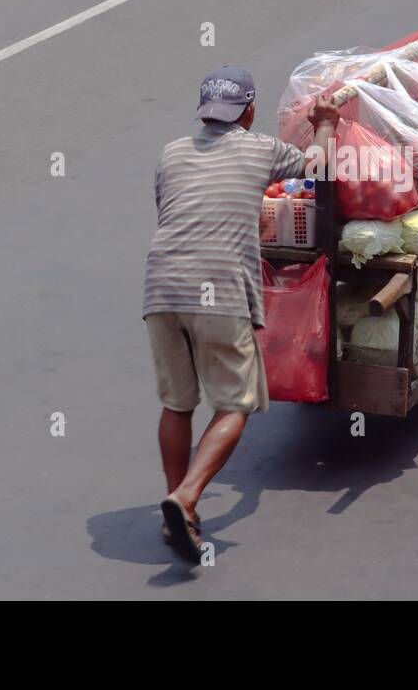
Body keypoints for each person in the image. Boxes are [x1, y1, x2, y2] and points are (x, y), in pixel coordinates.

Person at [143, 66, 338, 563]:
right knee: (236, 403)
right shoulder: (261, 149)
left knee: (177, 403)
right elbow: (318, 171)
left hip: (162, 288)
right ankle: (186, 498)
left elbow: (173, 210)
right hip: (221, 291)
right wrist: (326, 126)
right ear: (248, 112)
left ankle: (180, 511)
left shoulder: (171, 153)